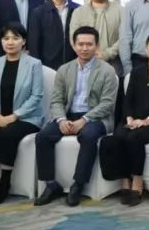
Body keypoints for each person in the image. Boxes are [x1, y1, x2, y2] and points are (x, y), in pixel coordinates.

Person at [34, 26, 119, 207]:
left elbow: (107, 104)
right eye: (80, 44)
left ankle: (78, 185)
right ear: (73, 45)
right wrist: (61, 119)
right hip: (68, 114)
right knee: (42, 136)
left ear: (97, 46)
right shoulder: (64, 69)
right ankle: (51, 184)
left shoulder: (107, 71)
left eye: (89, 44)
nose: (85, 48)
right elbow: (56, 100)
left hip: (96, 117)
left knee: (88, 136)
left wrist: (84, 120)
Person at [97, 31, 149, 207]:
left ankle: (137, 180)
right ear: (146, 49)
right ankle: (125, 179)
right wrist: (130, 118)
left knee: (134, 137)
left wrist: (147, 120)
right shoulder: (137, 71)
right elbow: (128, 99)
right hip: (133, 119)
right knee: (118, 136)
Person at [0, 23, 44, 206]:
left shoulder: (34, 64)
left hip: (26, 118)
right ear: (1, 41)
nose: (10, 42)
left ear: (23, 41)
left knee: (7, 134)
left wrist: (14, 116)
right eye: (6, 38)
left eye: (15, 38)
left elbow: (36, 96)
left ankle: (5, 183)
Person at [27, 0, 80, 71]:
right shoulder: (38, 12)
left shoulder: (78, 9)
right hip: (48, 67)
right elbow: (34, 45)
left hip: (74, 66)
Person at [70, 0, 123, 77]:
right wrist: (88, 53)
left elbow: (124, 38)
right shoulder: (79, 12)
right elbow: (73, 38)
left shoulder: (121, 11)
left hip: (114, 67)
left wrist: (107, 54)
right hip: (85, 67)